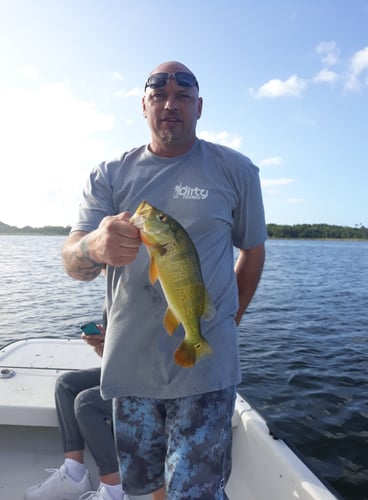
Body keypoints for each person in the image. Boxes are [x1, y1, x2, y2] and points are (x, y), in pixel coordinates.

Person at [62, 60, 267, 499]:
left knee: (194, 493)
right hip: (131, 369)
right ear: (143, 106)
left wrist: (228, 322)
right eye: (159, 96)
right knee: (148, 489)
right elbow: (72, 261)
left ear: (199, 107)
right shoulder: (109, 175)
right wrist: (94, 247)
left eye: (183, 96)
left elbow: (252, 251)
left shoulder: (236, 170)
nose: (170, 104)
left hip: (207, 373)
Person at [24, 324, 127, 500]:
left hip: (154, 380)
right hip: (126, 371)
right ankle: (74, 475)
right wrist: (104, 343)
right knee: (66, 385)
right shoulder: (115, 296)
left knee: (87, 403)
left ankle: (114, 492)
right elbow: (120, 353)